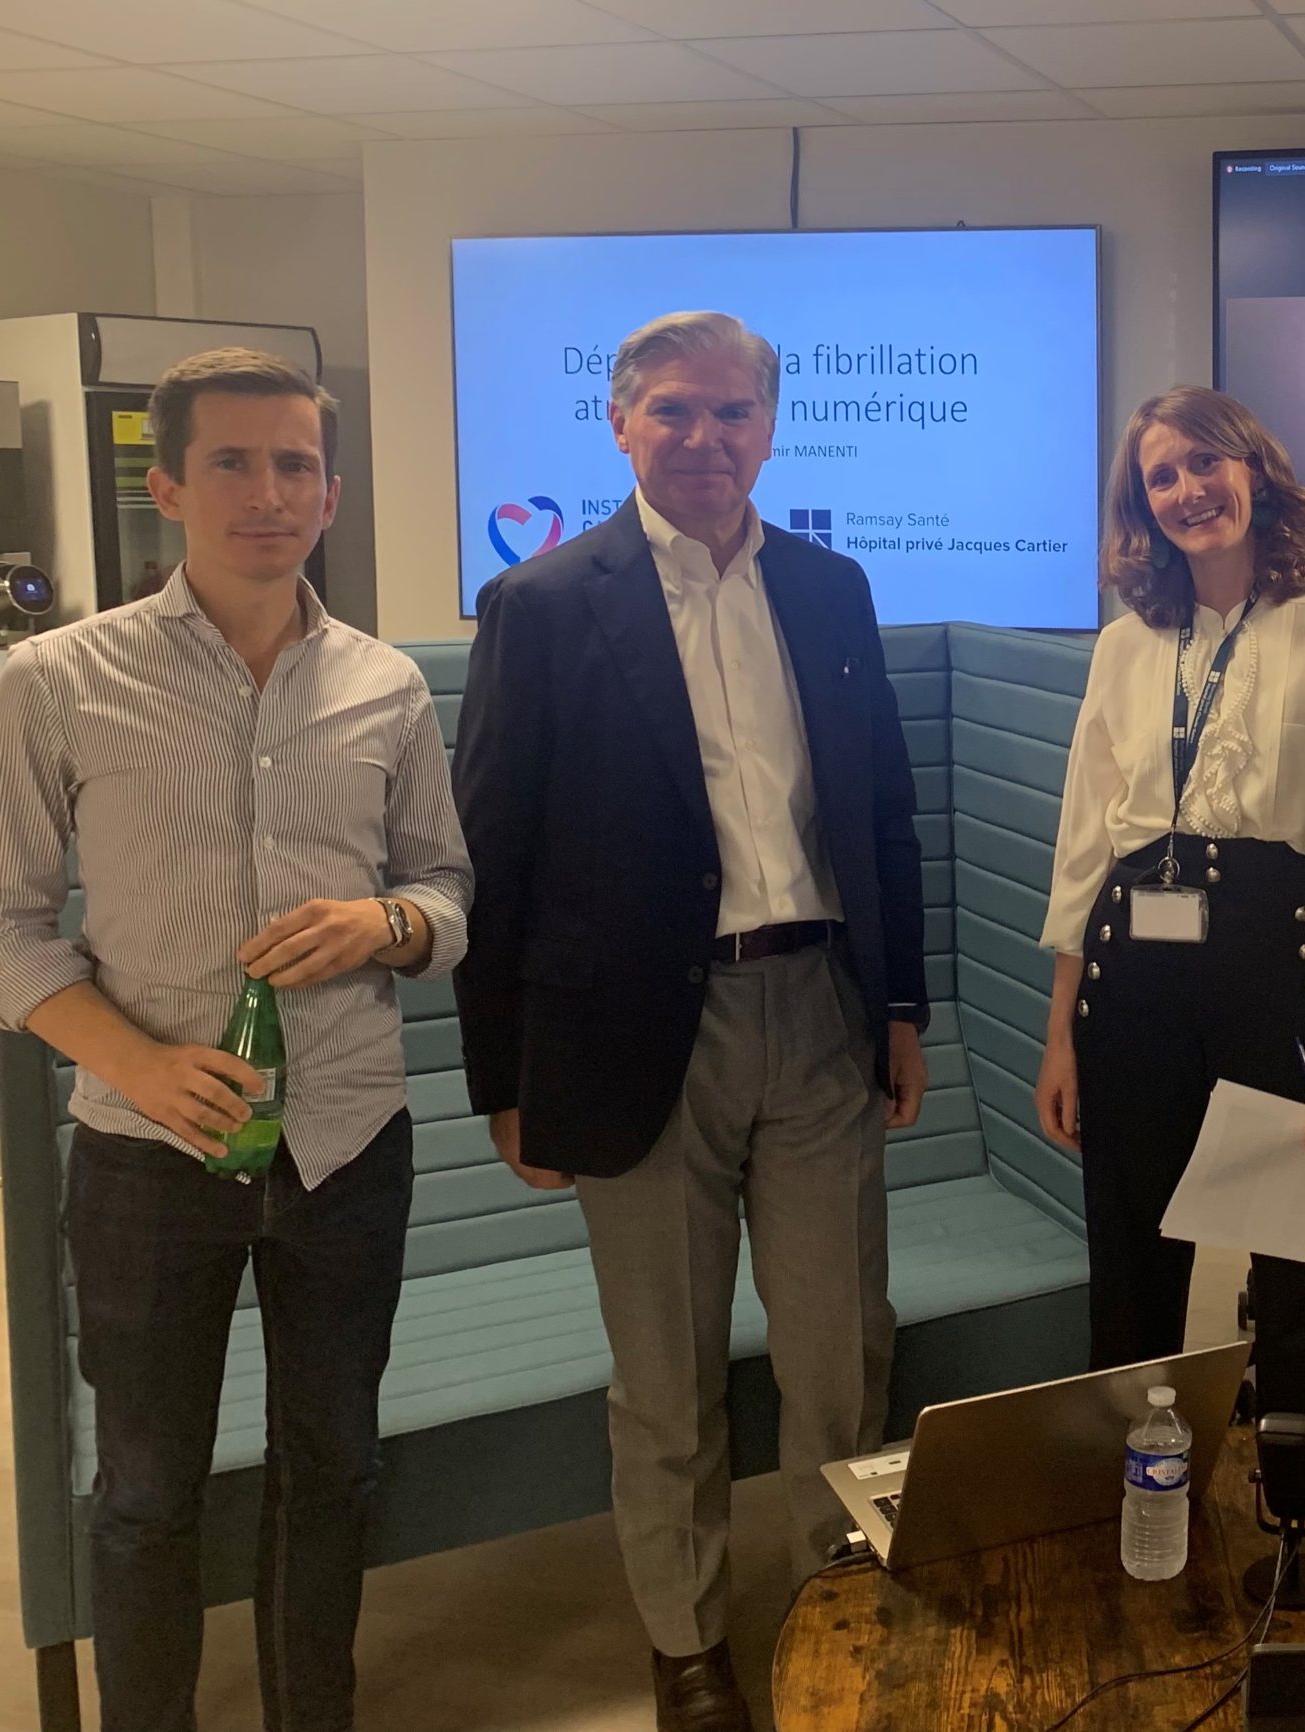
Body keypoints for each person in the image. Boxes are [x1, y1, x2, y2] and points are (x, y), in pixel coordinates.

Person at [0, 347, 472, 1732]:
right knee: (143, 1492)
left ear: (332, 492)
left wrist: (387, 923)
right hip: (147, 1151)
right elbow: (2, 924)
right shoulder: (56, 680)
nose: (269, 492)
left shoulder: (385, 685)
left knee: (334, 1469)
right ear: (171, 486)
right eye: (233, 462)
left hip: (346, 1141)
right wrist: (132, 1062)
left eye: (296, 465)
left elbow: (446, 889)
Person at [452, 311, 927, 1732]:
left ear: (770, 428)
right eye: (674, 410)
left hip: (821, 1013)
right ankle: (688, 1645)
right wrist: (506, 1078)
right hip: (635, 1040)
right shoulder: (541, 604)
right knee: (667, 1379)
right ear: (620, 424)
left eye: (733, 412)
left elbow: (881, 813)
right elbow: (493, 857)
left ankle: (832, 1609)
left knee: (838, 1355)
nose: (705, 438)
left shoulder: (831, 588)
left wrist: (903, 1006)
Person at [1034, 386, 1305, 1433]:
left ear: (1254, 471)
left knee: (1301, 1277)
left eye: (1206, 462)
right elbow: (1084, 850)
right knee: (1131, 1267)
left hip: (1274, 976)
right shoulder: (1123, 645)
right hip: (1132, 986)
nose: (1188, 490)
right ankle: (1137, 1485)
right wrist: (1061, 1037)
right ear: (1142, 507)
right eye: (1162, 477)